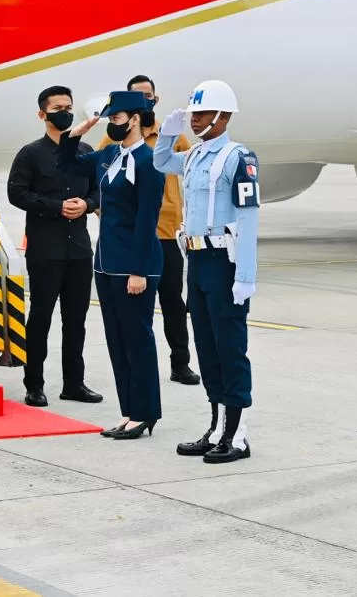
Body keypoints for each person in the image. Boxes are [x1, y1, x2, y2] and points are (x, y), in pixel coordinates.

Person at [154, 80, 259, 464]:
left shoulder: (237, 158)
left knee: (230, 348)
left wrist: (245, 275)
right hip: (196, 261)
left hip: (224, 262)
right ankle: (217, 428)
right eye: (193, 114)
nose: (194, 120)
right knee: (207, 347)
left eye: (201, 114)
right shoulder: (195, 155)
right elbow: (161, 163)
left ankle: (237, 434)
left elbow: (248, 219)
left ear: (223, 116)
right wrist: (167, 134)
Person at [58, 90, 165, 439]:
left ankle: (145, 412)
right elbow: (67, 164)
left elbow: (147, 220)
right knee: (117, 341)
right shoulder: (109, 155)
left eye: (116, 119)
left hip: (134, 266)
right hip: (106, 264)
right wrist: (76, 134)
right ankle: (129, 410)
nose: (112, 125)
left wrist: (139, 270)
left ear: (134, 119)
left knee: (138, 340)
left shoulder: (149, 162)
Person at [98, 75, 199, 385]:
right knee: (134, 311)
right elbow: (100, 181)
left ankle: (180, 362)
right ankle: (135, 368)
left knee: (173, 302)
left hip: (166, 232)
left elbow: (190, 173)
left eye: (149, 96)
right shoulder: (113, 142)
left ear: (156, 99)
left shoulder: (173, 137)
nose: (146, 101)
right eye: (138, 97)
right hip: (132, 237)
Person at [7, 85, 103, 408]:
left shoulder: (85, 151)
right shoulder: (30, 153)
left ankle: (74, 383)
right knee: (41, 318)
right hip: (45, 250)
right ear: (42, 114)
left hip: (79, 250)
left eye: (69, 107)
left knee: (76, 320)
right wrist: (55, 206)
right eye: (58, 108)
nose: (65, 113)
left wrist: (87, 205)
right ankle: (34, 384)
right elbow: (16, 193)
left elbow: (98, 191)